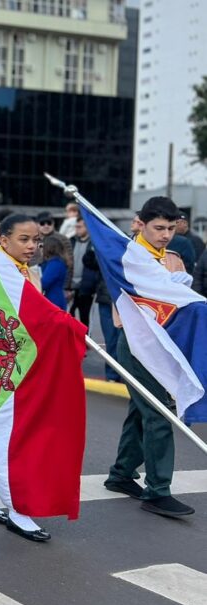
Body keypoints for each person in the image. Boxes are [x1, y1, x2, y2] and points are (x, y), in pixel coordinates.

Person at [104, 196, 196, 518]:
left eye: (171, 228)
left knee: (140, 410)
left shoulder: (173, 259)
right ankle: (158, 491)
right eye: (158, 228)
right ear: (141, 224)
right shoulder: (126, 257)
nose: (166, 234)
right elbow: (124, 308)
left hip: (162, 345)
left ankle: (121, 474)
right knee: (159, 413)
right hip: (134, 343)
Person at [0, 212, 51, 542]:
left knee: (16, 435)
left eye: (36, 240)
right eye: (24, 239)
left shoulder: (31, 272)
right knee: (11, 437)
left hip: (27, 363)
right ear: (2, 239)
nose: (32, 246)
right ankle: (18, 509)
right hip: (0, 366)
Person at [68, 216, 99, 328]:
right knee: (68, 314)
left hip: (86, 287)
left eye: (79, 227)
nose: (77, 229)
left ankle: (84, 342)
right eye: (76, 227)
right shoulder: (71, 241)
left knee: (84, 317)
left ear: (86, 227)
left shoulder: (93, 243)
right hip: (70, 286)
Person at [40, 234, 70, 311]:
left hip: (53, 299)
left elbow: (44, 283)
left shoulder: (55, 263)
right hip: (56, 297)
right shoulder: (57, 262)